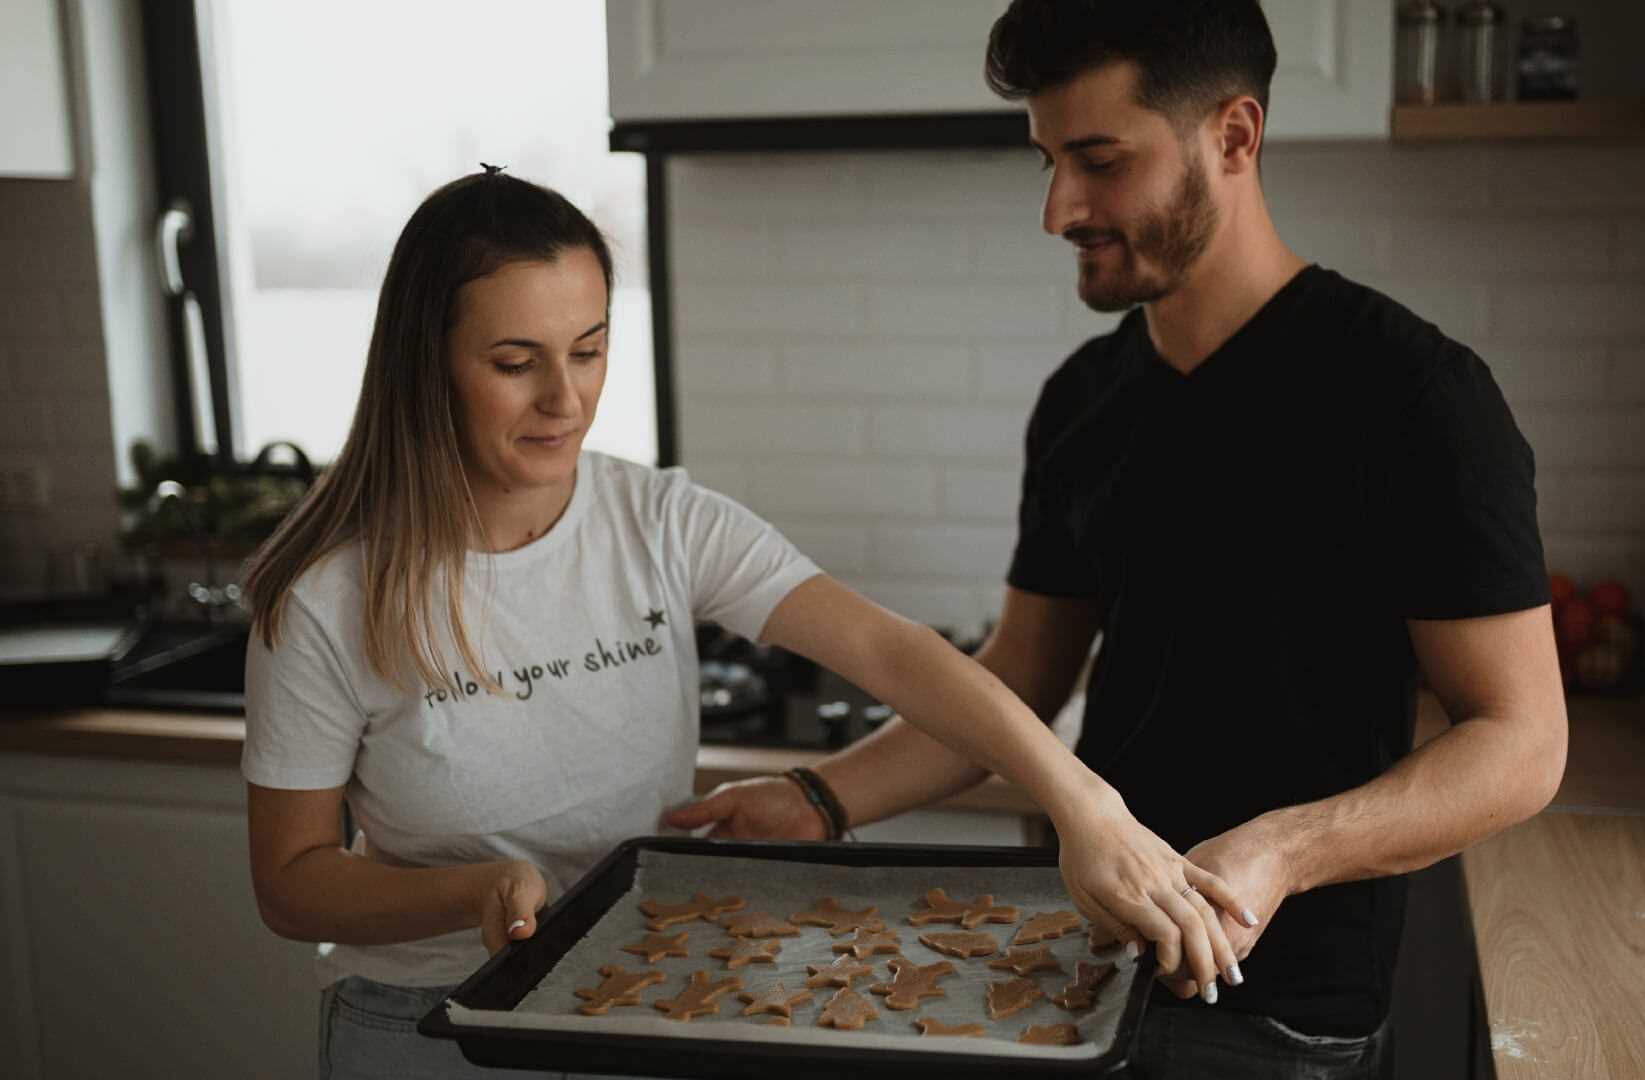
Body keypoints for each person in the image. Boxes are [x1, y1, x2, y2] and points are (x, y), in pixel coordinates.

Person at [663, 3, 1569, 1077]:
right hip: (1079, 973)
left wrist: (1276, 852)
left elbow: (1521, 743)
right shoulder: (1086, 401)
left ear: (1234, 136)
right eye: (1049, 161)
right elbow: (1017, 680)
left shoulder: (1414, 396)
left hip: (1276, 1008)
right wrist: (820, 797)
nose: (1058, 209)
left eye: (1098, 161)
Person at [240, 168, 1252, 1079]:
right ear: (427, 365)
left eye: (589, 351)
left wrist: (1088, 808)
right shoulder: (326, 597)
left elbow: (889, 650)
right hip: (425, 1028)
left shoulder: (660, 522)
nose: (566, 398)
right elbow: (290, 886)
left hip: (630, 1001)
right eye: (515, 362)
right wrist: (470, 891)